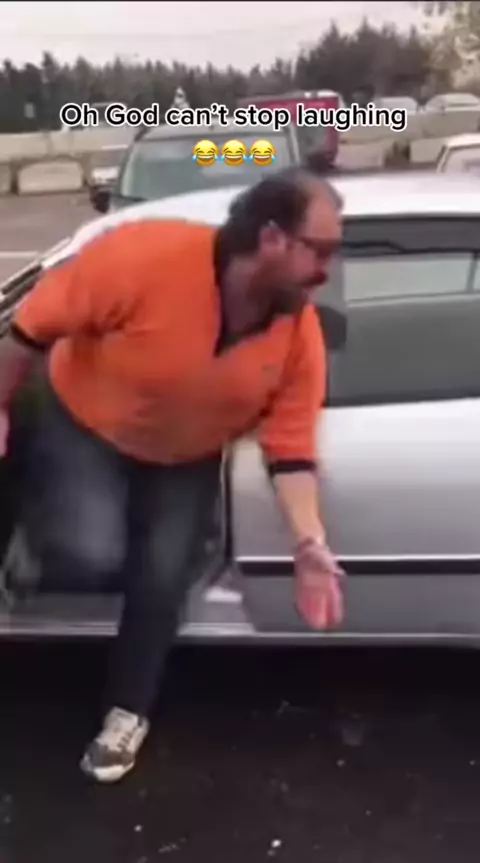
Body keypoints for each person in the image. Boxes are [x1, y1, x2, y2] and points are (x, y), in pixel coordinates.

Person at [0, 167, 345, 784]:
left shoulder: (298, 331)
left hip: (184, 455)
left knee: (162, 577)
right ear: (271, 238)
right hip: (84, 422)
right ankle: (28, 546)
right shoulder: (146, 257)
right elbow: (27, 330)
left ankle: (126, 711)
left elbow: (290, 448)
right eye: (320, 250)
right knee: (89, 551)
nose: (328, 268)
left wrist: (308, 541)